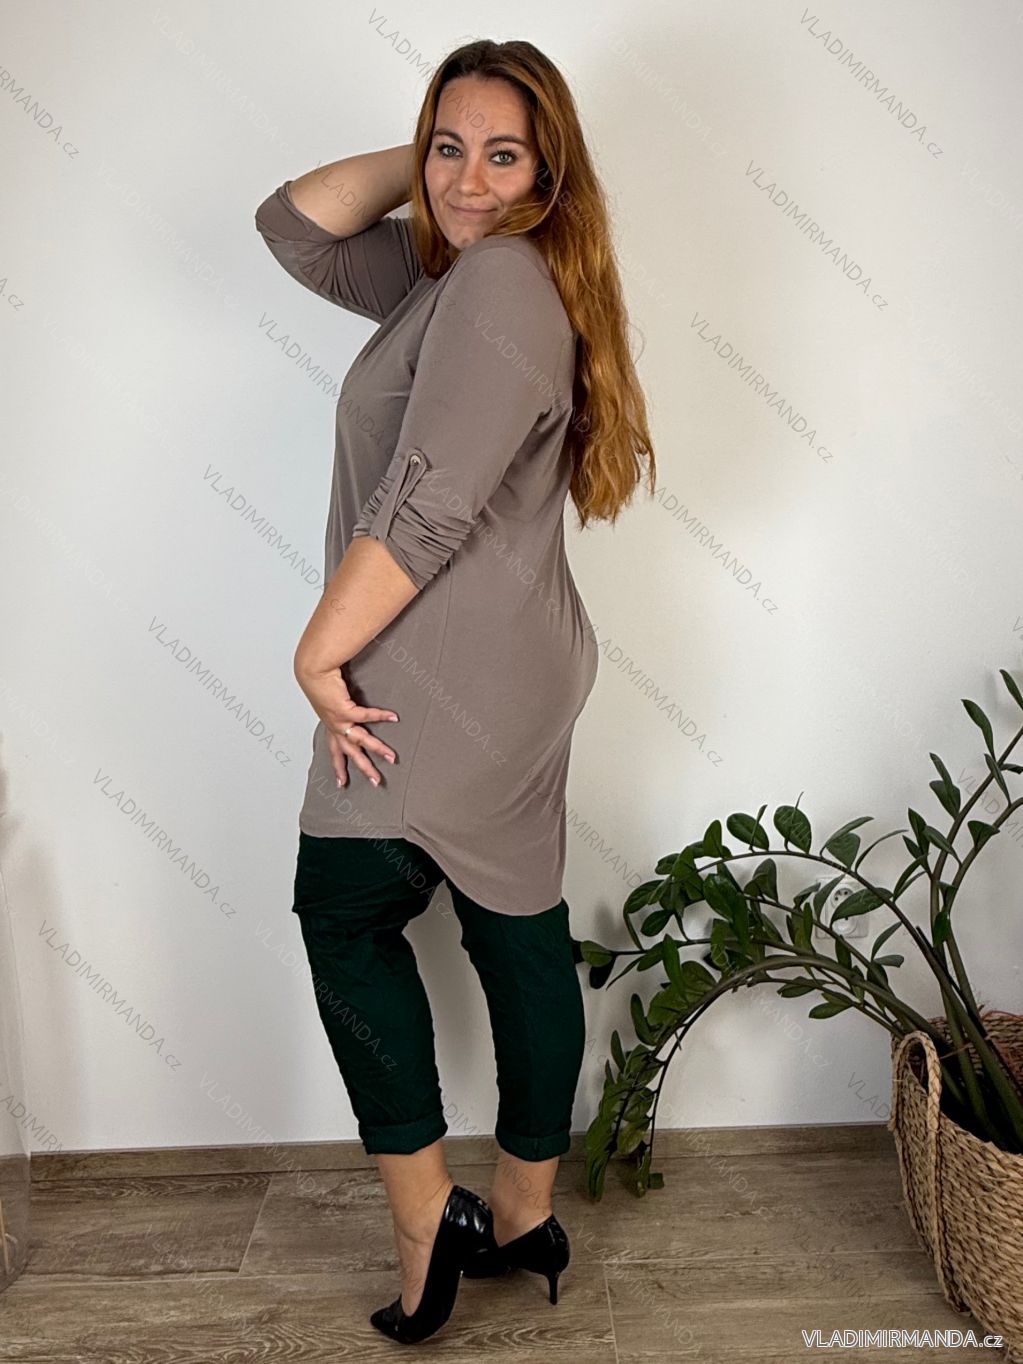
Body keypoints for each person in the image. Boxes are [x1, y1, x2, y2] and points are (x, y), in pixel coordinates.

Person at [254, 37, 655, 1345]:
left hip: (440, 669)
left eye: (507, 156)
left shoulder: (494, 281)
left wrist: (318, 653)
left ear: (553, 175)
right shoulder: (465, 269)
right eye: (449, 146)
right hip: (512, 660)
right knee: (514, 926)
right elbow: (295, 230)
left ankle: (432, 1222)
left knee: (345, 912)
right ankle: (524, 1216)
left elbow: (424, 507)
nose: (471, 180)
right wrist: (448, 171)